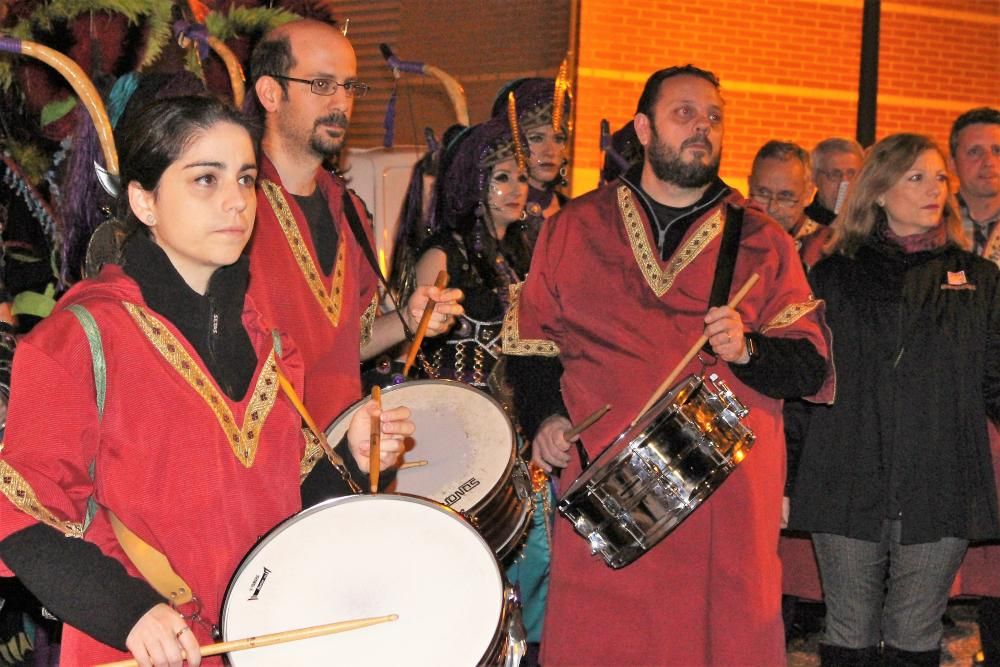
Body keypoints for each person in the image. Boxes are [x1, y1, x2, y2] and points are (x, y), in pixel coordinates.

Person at [0, 95, 411, 666]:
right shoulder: (80, 338)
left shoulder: (269, 341)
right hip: (143, 646)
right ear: (144, 200)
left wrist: (353, 453)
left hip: (263, 638)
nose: (235, 202)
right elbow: (22, 516)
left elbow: (281, 511)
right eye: (204, 179)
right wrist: (130, 611)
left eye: (245, 179)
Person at [502, 64, 833, 666]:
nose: (702, 128)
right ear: (644, 128)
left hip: (724, 499)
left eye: (713, 117)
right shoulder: (573, 227)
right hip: (606, 481)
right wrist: (547, 419)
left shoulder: (763, 239)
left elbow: (810, 365)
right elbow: (531, 348)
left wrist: (749, 348)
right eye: (684, 114)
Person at [787, 133, 1000, 666]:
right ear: (878, 191)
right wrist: (788, 475)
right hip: (844, 474)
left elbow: (995, 382)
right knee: (849, 627)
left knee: (915, 629)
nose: (934, 190)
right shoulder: (833, 274)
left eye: (939, 178)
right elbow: (806, 382)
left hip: (939, 483)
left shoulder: (980, 280)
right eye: (916, 177)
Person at [246, 19, 463, 430]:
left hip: (341, 455)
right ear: (271, 92)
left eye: (350, 86)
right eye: (323, 85)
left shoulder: (348, 209)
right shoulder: (235, 203)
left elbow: (353, 342)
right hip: (259, 462)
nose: (341, 102)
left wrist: (408, 319)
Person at [948, 106, 1000, 665]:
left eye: (998, 149)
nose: (989, 162)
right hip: (951, 409)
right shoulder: (933, 224)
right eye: (975, 150)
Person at [748, 140, 828, 270]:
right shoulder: (730, 236)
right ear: (749, 185)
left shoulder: (825, 249)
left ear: (808, 194)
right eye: (763, 193)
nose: (772, 208)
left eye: (785, 196)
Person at [806, 137, 864, 225]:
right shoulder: (801, 227)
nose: (844, 183)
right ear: (815, 177)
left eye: (852, 174)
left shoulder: (872, 225)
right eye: (835, 174)